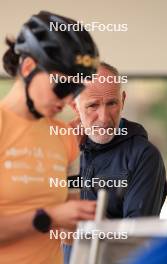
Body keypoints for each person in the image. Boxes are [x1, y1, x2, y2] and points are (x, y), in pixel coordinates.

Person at [0, 11, 99, 264]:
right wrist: (48, 217)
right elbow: (55, 215)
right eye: (62, 86)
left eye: (75, 90)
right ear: (29, 67)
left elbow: (70, 225)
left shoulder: (64, 136)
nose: (68, 101)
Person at [64, 62, 167, 263]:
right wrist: (70, 160)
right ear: (74, 105)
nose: (104, 118)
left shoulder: (144, 156)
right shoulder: (60, 150)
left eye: (111, 103)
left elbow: (134, 240)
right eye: (93, 105)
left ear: (123, 100)